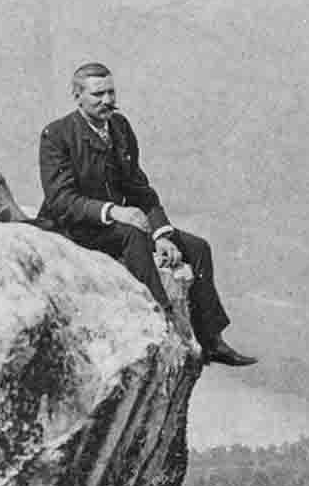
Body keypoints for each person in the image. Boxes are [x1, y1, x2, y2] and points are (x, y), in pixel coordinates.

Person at [37, 62, 256, 365]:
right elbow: (61, 199)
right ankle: (163, 321)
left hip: (120, 223)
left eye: (111, 92)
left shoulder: (120, 128)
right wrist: (114, 211)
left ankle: (212, 341)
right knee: (132, 236)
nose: (107, 101)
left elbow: (140, 189)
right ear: (77, 96)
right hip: (74, 227)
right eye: (97, 94)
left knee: (197, 248)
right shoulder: (57, 135)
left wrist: (162, 235)